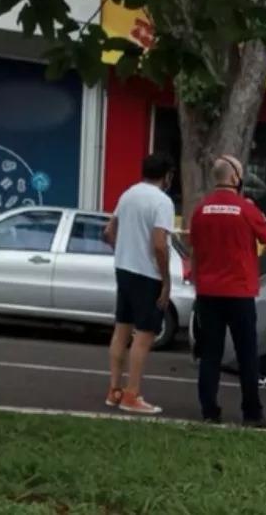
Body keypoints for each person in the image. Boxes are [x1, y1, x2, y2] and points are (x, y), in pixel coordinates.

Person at [190, 155, 266, 427]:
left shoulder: (200, 210)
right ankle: (251, 413)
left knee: (210, 353)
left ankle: (209, 410)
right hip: (239, 292)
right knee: (247, 353)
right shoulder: (246, 209)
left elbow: (195, 247)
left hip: (208, 292)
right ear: (235, 178)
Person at [102, 152, 176, 415]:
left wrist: (123, 251)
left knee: (121, 331)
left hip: (124, 269)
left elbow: (108, 232)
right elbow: (159, 244)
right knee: (143, 336)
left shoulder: (128, 194)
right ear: (167, 175)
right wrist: (166, 281)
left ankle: (114, 390)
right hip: (148, 275)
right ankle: (132, 394)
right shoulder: (163, 202)